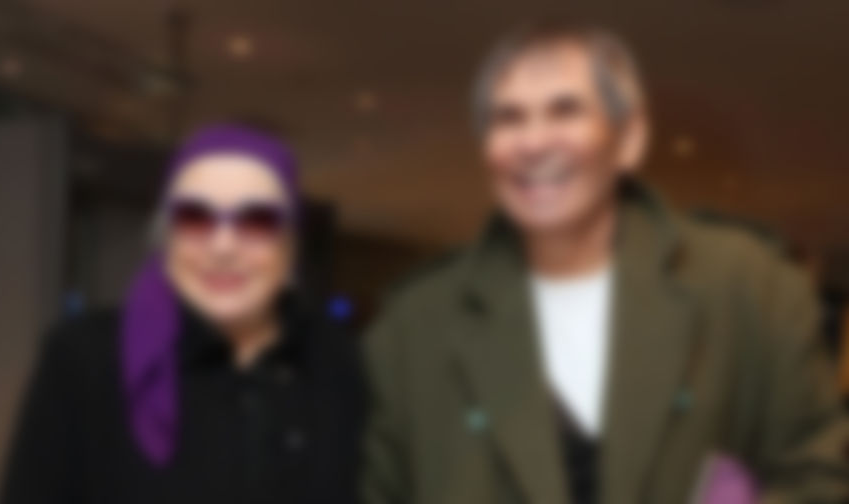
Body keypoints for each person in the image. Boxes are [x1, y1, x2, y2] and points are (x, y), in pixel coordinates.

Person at [361, 22, 849, 504]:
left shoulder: (748, 289)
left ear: (630, 139)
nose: (533, 142)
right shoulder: (414, 327)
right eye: (508, 119)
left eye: (565, 111)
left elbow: (821, 474)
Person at [0, 125, 363, 503]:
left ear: (290, 241)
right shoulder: (86, 359)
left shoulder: (334, 360)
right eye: (195, 216)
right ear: (165, 235)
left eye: (257, 219)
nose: (223, 246)